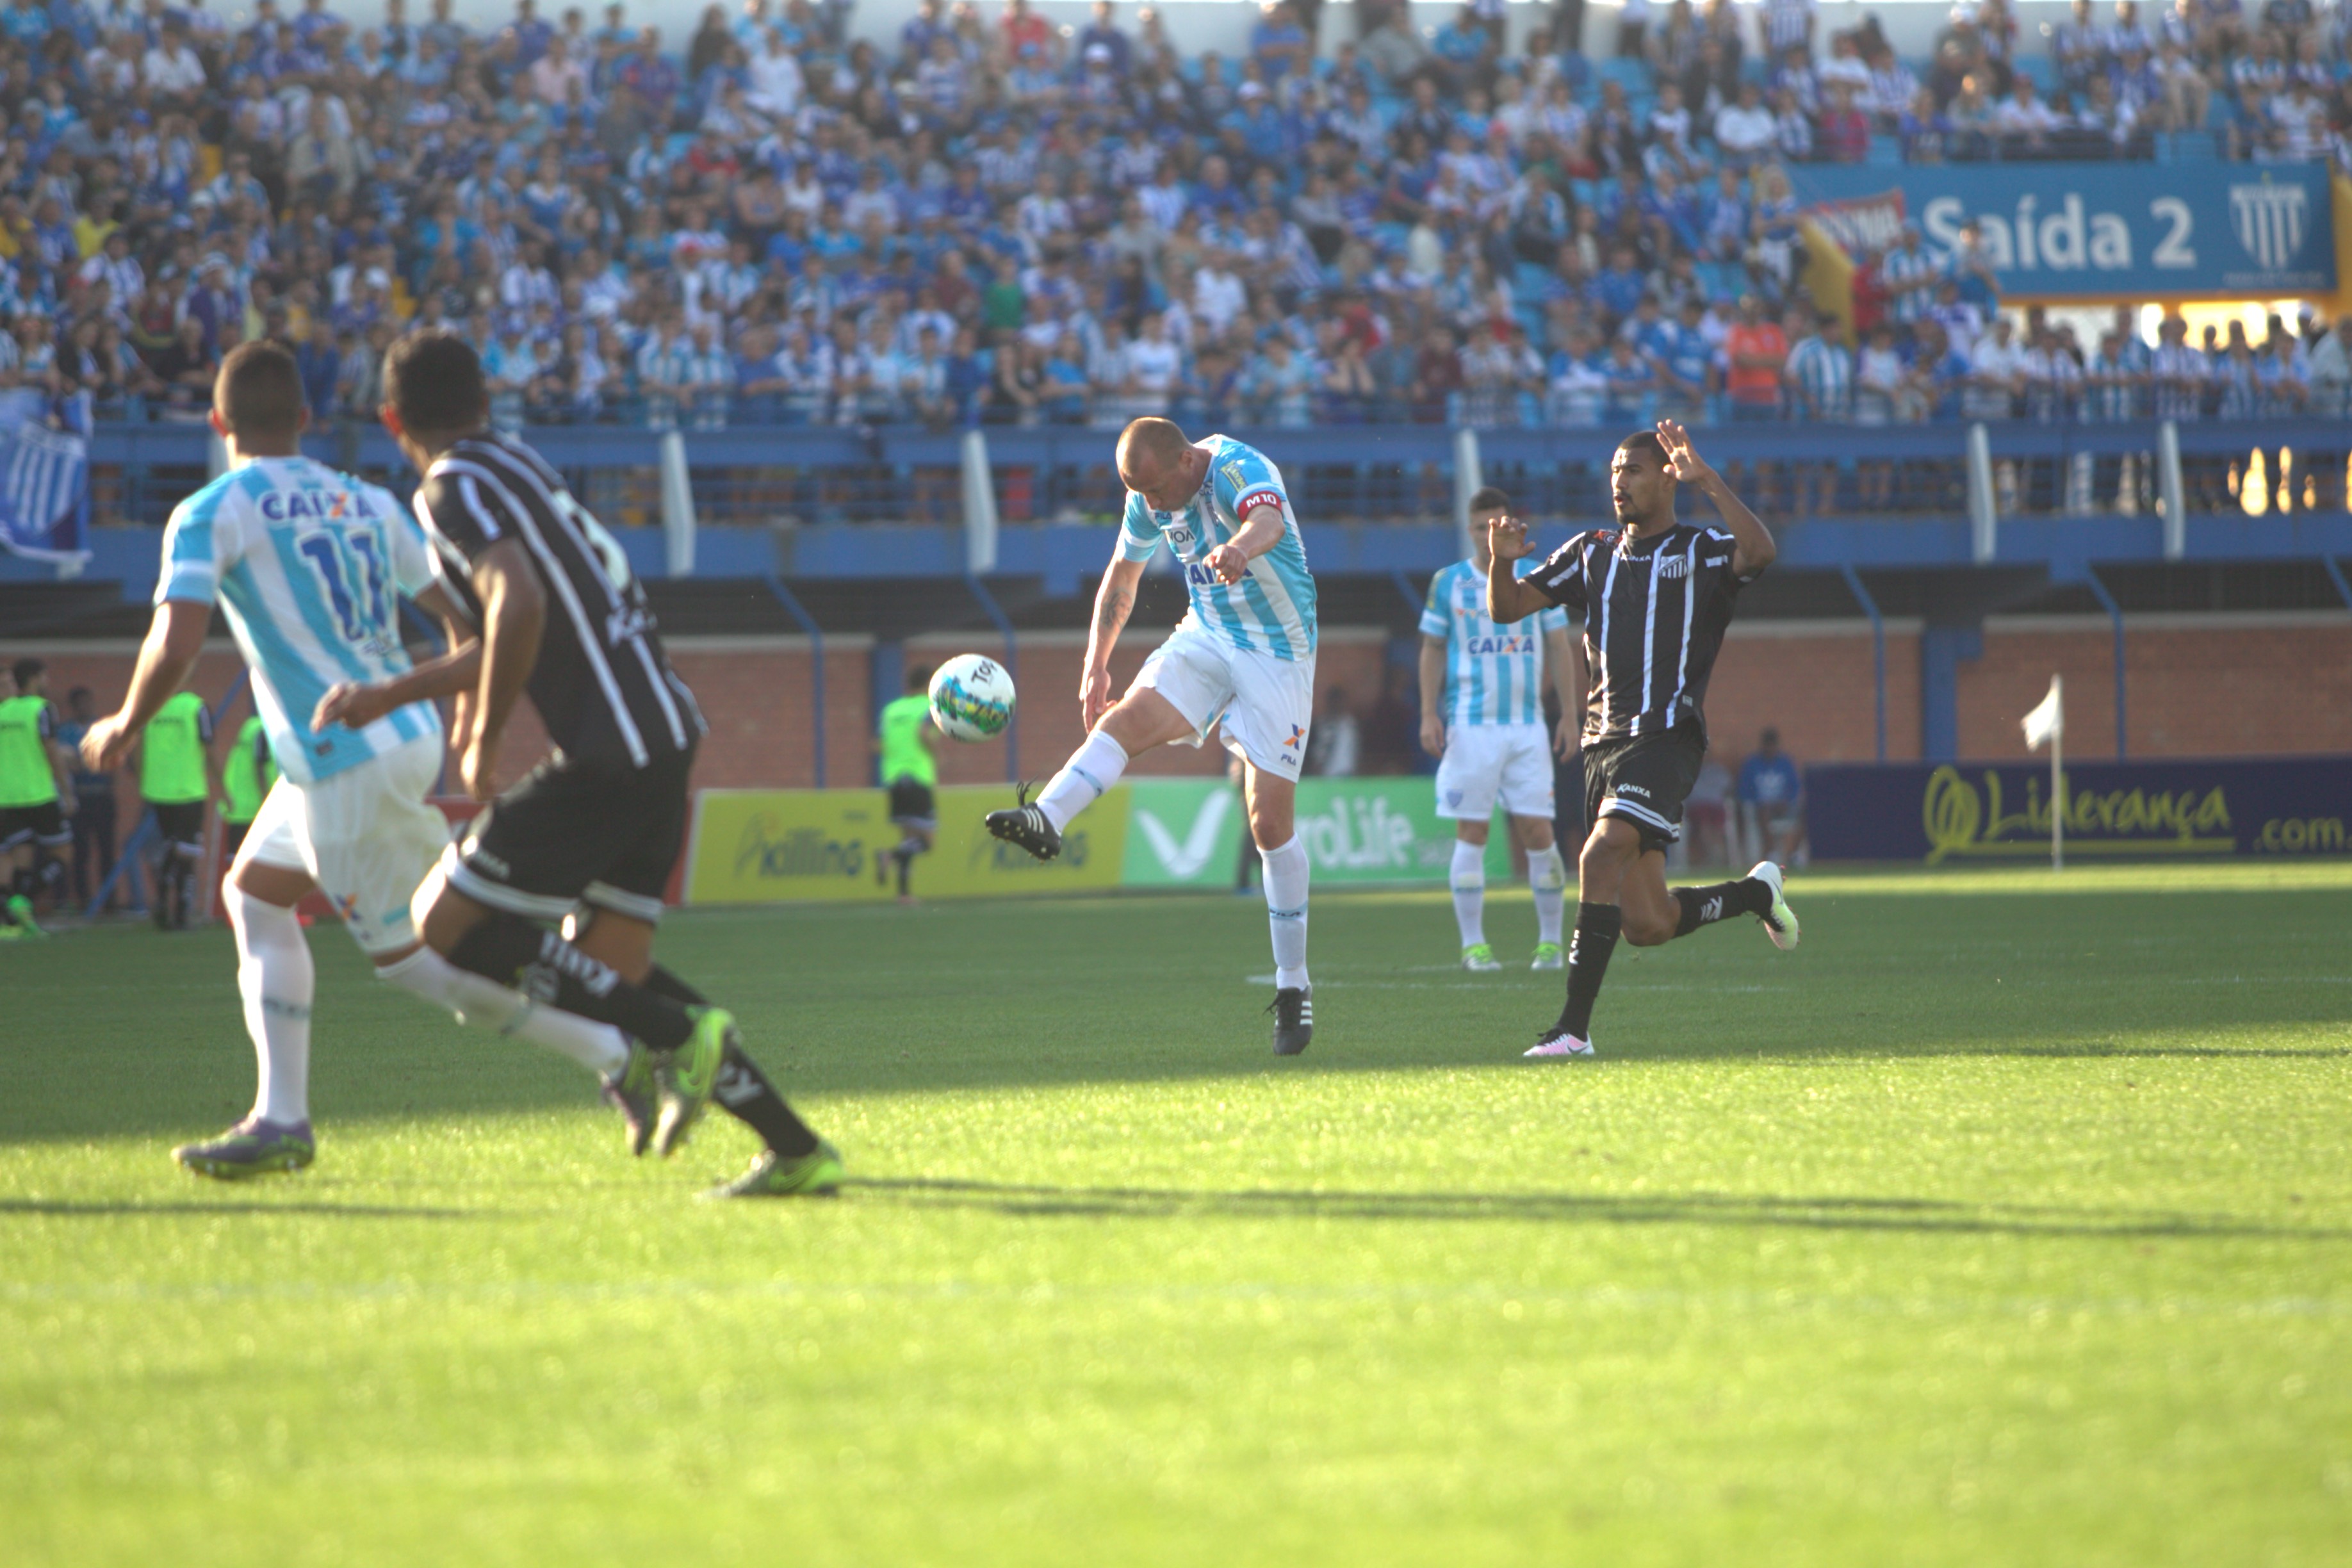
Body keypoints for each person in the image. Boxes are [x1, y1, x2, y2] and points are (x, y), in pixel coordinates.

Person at [78, 343, 666, 1179]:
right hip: (388, 734)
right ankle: (280, 1117)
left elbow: (177, 636)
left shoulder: (213, 509)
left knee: (434, 963)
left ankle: (619, 1052)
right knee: (253, 895)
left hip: (342, 754)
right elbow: (466, 618)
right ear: (308, 421)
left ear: (218, 424)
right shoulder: (364, 500)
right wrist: (466, 715)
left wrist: (127, 720)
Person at [322, 329, 842, 1197]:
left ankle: (678, 1033)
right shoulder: (517, 463)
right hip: (662, 734)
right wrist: (391, 694)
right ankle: (796, 1149)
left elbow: (515, 602)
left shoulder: (449, 487)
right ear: (485, 402)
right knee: (611, 965)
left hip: (608, 753)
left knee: (446, 927)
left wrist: (479, 737)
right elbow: (508, 623)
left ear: (390, 418)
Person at [984, 416, 1321, 1055]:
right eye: (1135, 489)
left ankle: (1294, 984)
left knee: (1268, 824)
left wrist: (1239, 550)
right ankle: (1047, 818)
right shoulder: (1149, 495)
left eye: (1154, 489)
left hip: (1280, 652)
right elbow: (1123, 574)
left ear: (1185, 464)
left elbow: (1268, 523)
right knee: (1125, 719)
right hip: (1209, 634)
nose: (1148, 501)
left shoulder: (1236, 469)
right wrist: (1095, 664)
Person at [1487, 421, 1801, 1060]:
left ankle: (1572, 1029)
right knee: (1647, 925)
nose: (1619, 482)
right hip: (1604, 749)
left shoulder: (1703, 550)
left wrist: (1708, 479)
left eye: (1631, 470)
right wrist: (1501, 561)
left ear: (1667, 475)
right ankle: (1754, 893)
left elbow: (1761, 552)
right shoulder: (1591, 552)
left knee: (1599, 856)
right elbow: (1508, 608)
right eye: (1613, 472)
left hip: (1665, 738)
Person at [1417, 486, 1579, 973]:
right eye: (1484, 526)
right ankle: (1474, 946)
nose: (1493, 534)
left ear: (1512, 525)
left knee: (1537, 830)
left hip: (1528, 726)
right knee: (1473, 831)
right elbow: (1430, 648)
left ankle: (1551, 944)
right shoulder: (1447, 583)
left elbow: (1559, 645)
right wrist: (1429, 711)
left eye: (1501, 525)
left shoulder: (1538, 578)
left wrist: (1570, 713)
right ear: (1471, 530)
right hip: (1470, 725)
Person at [1, 658, 76, 938]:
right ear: (34, 679)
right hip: (40, 794)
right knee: (63, 853)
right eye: (44, 677)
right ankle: (25, 900)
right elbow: (50, 752)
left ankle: (18, 922)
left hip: (8, 798)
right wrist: (66, 792)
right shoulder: (41, 709)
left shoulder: (3, 712)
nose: (47, 682)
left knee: (22, 858)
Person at [137, 682, 217, 930]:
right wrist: (222, 785)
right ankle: (181, 913)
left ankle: (162, 899)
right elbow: (209, 748)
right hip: (188, 790)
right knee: (187, 852)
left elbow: (138, 746)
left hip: (157, 791)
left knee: (172, 846)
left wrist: (143, 777)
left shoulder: (150, 705)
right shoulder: (195, 707)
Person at [873, 666, 938, 903]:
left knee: (908, 837)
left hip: (893, 779)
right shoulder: (928, 708)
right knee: (926, 842)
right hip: (918, 776)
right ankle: (888, 855)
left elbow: (877, 745)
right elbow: (923, 733)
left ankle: (903, 894)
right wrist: (934, 751)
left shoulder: (890, 710)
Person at [54, 687, 117, 911]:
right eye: (81, 703)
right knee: (80, 852)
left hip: (102, 796)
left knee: (107, 851)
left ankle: (109, 902)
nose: (86, 707)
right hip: (79, 796)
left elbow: (110, 758)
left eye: (88, 702)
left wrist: (86, 761)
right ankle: (83, 900)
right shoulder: (65, 731)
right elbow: (67, 761)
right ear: (73, 707)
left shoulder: (102, 727)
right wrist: (87, 761)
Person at [1737, 726, 1805, 863]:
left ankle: (1794, 853)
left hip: (1783, 805)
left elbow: (1795, 788)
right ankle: (1771, 853)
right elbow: (1743, 791)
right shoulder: (1752, 764)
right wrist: (1760, 802)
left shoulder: (1785, 763)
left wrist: (1786, 801)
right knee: (1764, 814)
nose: (1771, 749)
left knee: (1805, 813)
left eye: (1773, 745)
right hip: (1761, 807)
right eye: (1768, 745)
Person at [217, 707, 277, 863]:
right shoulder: (263, 730)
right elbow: (260, 767)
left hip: (238, 806)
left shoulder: (249, 726)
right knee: (256, 861)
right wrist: (268, 803)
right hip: (255, 809)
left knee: (235, 860)